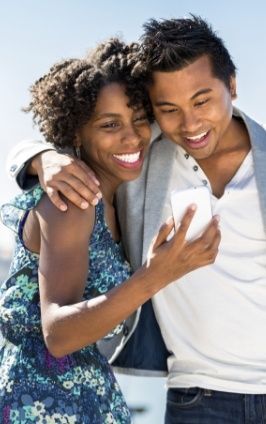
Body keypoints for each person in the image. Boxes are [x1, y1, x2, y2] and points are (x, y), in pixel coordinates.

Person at [5, 14, 265, 423]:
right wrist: (40, 157)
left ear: (231, 85)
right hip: (192, 398)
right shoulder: (120, 169)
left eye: (202, 101)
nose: (190, 123)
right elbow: (86, 130)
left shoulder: (150, 147)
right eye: (168, 109)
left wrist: (40, 157)